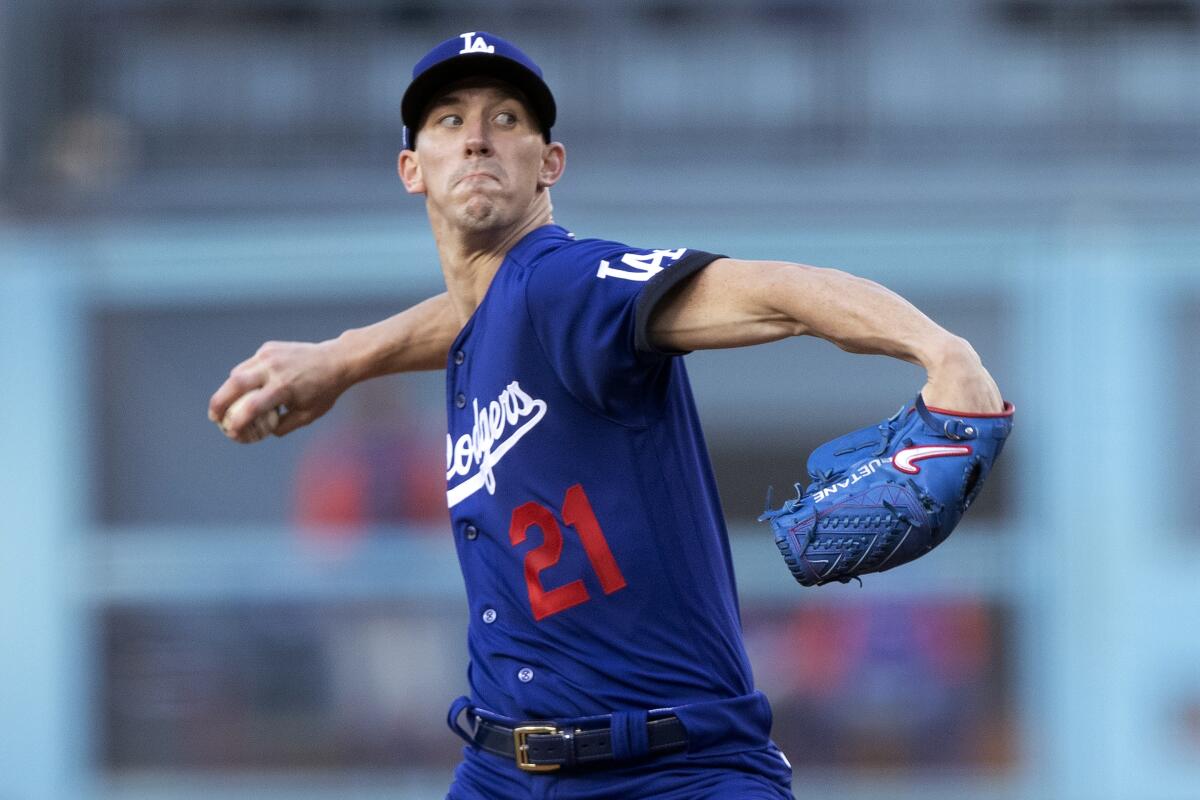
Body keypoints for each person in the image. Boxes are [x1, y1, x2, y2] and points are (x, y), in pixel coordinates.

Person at [208, 31, 1004, 800]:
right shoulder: (494, 320)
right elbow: (469, 313)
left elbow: (773, 292)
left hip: (673, 768)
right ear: (412, 168)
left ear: (550, 164)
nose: (478, 139)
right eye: (450, 120)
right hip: (501, 769)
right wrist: (341, 358)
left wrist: (942, 351)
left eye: (507, 120)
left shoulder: (566, 281)